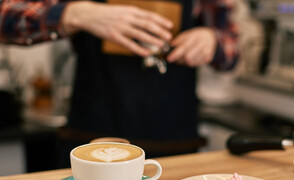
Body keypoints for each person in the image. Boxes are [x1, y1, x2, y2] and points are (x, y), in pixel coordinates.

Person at [0, 0, 239, 166]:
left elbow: (232, 50)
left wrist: (212, 40)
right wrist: (75, 13)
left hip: (175, 148)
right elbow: (6, 17)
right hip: (89, 143)